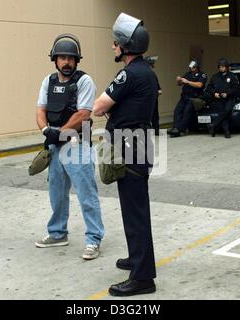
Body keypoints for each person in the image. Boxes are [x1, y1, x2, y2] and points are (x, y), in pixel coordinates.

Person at [93, 13, 157, 296]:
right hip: (138, 144)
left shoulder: (128, 74)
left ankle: (143, 278)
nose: (113, 47)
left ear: (125, 46)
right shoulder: (148, 72)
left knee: (135, 212)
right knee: (134, 208)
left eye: (115, 43)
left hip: (130, 147)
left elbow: (98, 106)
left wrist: (109, 108)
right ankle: (137, 259)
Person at [35, 34, 105, 260]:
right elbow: (40, 110)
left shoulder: (84, 81)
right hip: (56, 145)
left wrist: (59, 131)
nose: (66, 62)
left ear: (77, 60)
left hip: (77, 144)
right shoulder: (48, 81)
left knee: (86, 194)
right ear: (55, 60)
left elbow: (83, 114)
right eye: (62, 58)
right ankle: (57, 233)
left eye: (70, 58)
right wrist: (46, 130)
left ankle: (94, 239)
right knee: (57, 193)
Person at [169, 60, 207, 138]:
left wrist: (187, 82)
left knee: (187, 112)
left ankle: (180, 129)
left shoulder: (202, 75)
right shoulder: (187, 74)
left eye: (193, 67)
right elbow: (180, 84)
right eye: (191, 67)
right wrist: (179, 80)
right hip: (184, 97)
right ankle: (175, 127)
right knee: (177, 111)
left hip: (194, 98)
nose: (191, 69)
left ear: (197, 67)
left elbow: (199, 85)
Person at [205, 58, 239, 138]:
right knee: (224, 114)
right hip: (218, 99)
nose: (221, 68)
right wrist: (214, 93)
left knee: (226, 111)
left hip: (229, 98)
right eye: (220, 67)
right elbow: (209, 88)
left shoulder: (232, 76)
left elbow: (235, 88)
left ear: (226, 67)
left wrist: (227, 93)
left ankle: (213, 125)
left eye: (223, 67)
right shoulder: (215, 77)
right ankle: (227, 132)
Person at [144, 56, 162, 136]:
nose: (153, 66)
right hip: (145, 98)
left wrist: (158, 91)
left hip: (152, 97)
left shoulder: (152, 74)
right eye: (152, 64)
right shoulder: (145, 74)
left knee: (154, 114)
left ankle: (156, 130)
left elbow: (158, 87)